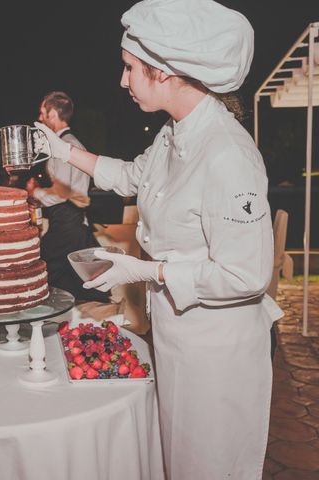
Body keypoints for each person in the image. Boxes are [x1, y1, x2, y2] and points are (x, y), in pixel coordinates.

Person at [34, 1, 284, 478]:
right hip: (176, 332)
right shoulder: (176, 132)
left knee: (208, 465)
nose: (123, 81)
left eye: (130, 69)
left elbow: (245, 274)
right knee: (178, 459)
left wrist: (145, 271)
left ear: (166, 73)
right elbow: (130, 176)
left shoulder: (228, 154)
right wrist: (63, 150)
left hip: (216, 353)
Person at [27, 91, 107, 302]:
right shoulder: (72, 143)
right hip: (72, 221)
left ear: (53, 114)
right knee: (77, 280)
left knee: (39, 271)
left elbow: (62, 193)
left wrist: (34, 191)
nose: (40, 119)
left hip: (66, 221)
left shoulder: (64, 148)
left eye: (42, 113)